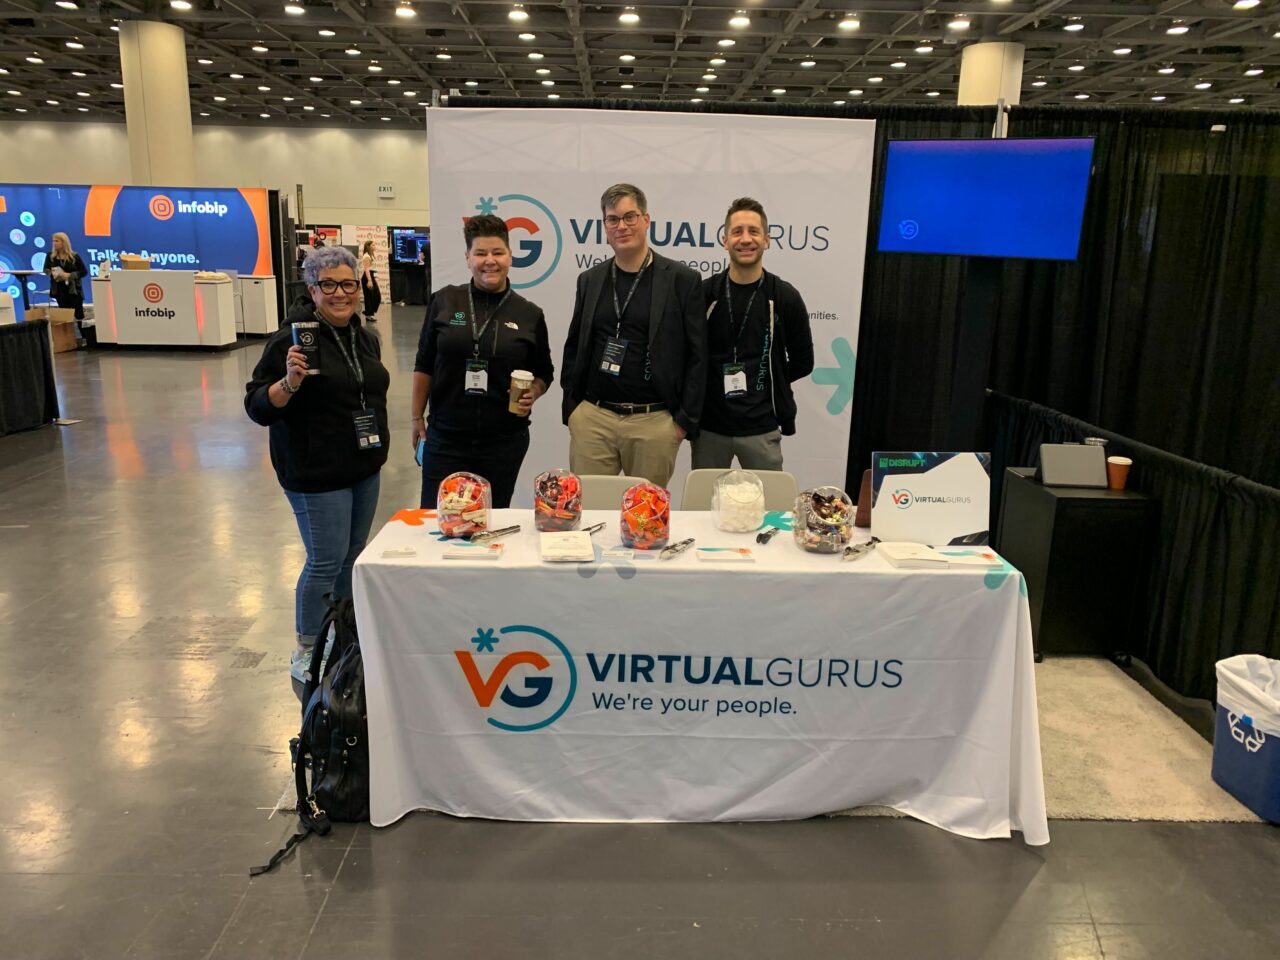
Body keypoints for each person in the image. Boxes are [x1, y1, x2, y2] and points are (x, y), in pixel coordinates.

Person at [244, 246, 390, 697]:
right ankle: (309, 645)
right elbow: (257, 406)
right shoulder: (291, 338)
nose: (341, 293)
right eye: (329, 285)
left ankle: (342, 633)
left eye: (349, 283)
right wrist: (288, 382)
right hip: (316, 473)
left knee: (352, 555)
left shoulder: (363, 335)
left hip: (362, 466)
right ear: (312, 290)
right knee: (325, 560)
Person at [561, 183, 705, 488]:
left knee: (646, 520)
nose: (621, 226)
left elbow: (697, 356)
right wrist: (574, 409)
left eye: (630, 217)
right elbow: (575, 345)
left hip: (654, 422)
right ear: (605, 226)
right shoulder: (590, 280)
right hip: (594, 419)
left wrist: (681, 422)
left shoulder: (682, 280)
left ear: (646, 220)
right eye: (613, 219)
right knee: (590, 513)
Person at [411, 214, 553, 509]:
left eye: (498, 252)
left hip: (503, 442)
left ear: (510, 256)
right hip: (446, 438)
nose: (490, 260)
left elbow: (544, 372)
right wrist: (416, 417)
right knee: (438, 523)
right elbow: (424, 362)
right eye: (480, 253)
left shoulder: (529, 313)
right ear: (467, 258)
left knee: (490, 524)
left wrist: (534, 392)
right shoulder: (445, 301)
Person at [693, 197, 814, 471]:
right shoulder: (704, 295)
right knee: (704, 509)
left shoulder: (784, 297)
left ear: (767, 239)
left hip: (762, 427)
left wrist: (767, 379)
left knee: (769, 511)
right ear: (725, 240)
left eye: (753, 231)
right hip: (709, 428)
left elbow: (803, 362)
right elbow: (688, 356)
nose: (745, 239)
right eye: (737, 232)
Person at [42, 232, 88, 322]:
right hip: (59, 290)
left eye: (57, 241)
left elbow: (83, 272)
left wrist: (70, 275)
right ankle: (67, 334)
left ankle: (83, 335)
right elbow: (45, 269)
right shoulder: (50, 256)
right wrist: (54, 273)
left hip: (74, 290)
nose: (54, 243)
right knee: (64, 315)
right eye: (53, 241)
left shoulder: (74, 256)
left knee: (78, 315)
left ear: (63, 242)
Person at [359, 239, 382, 321]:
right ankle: (368, 314)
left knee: (376, 296)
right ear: (368, 246)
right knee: (369, 296)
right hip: (367, 277)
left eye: (374, 245)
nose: (374, 246)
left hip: (371, 276)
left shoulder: (371, 255)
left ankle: (369, 312)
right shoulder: (366, 256)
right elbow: (367, 269)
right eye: (373, 245)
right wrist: (369, 280)